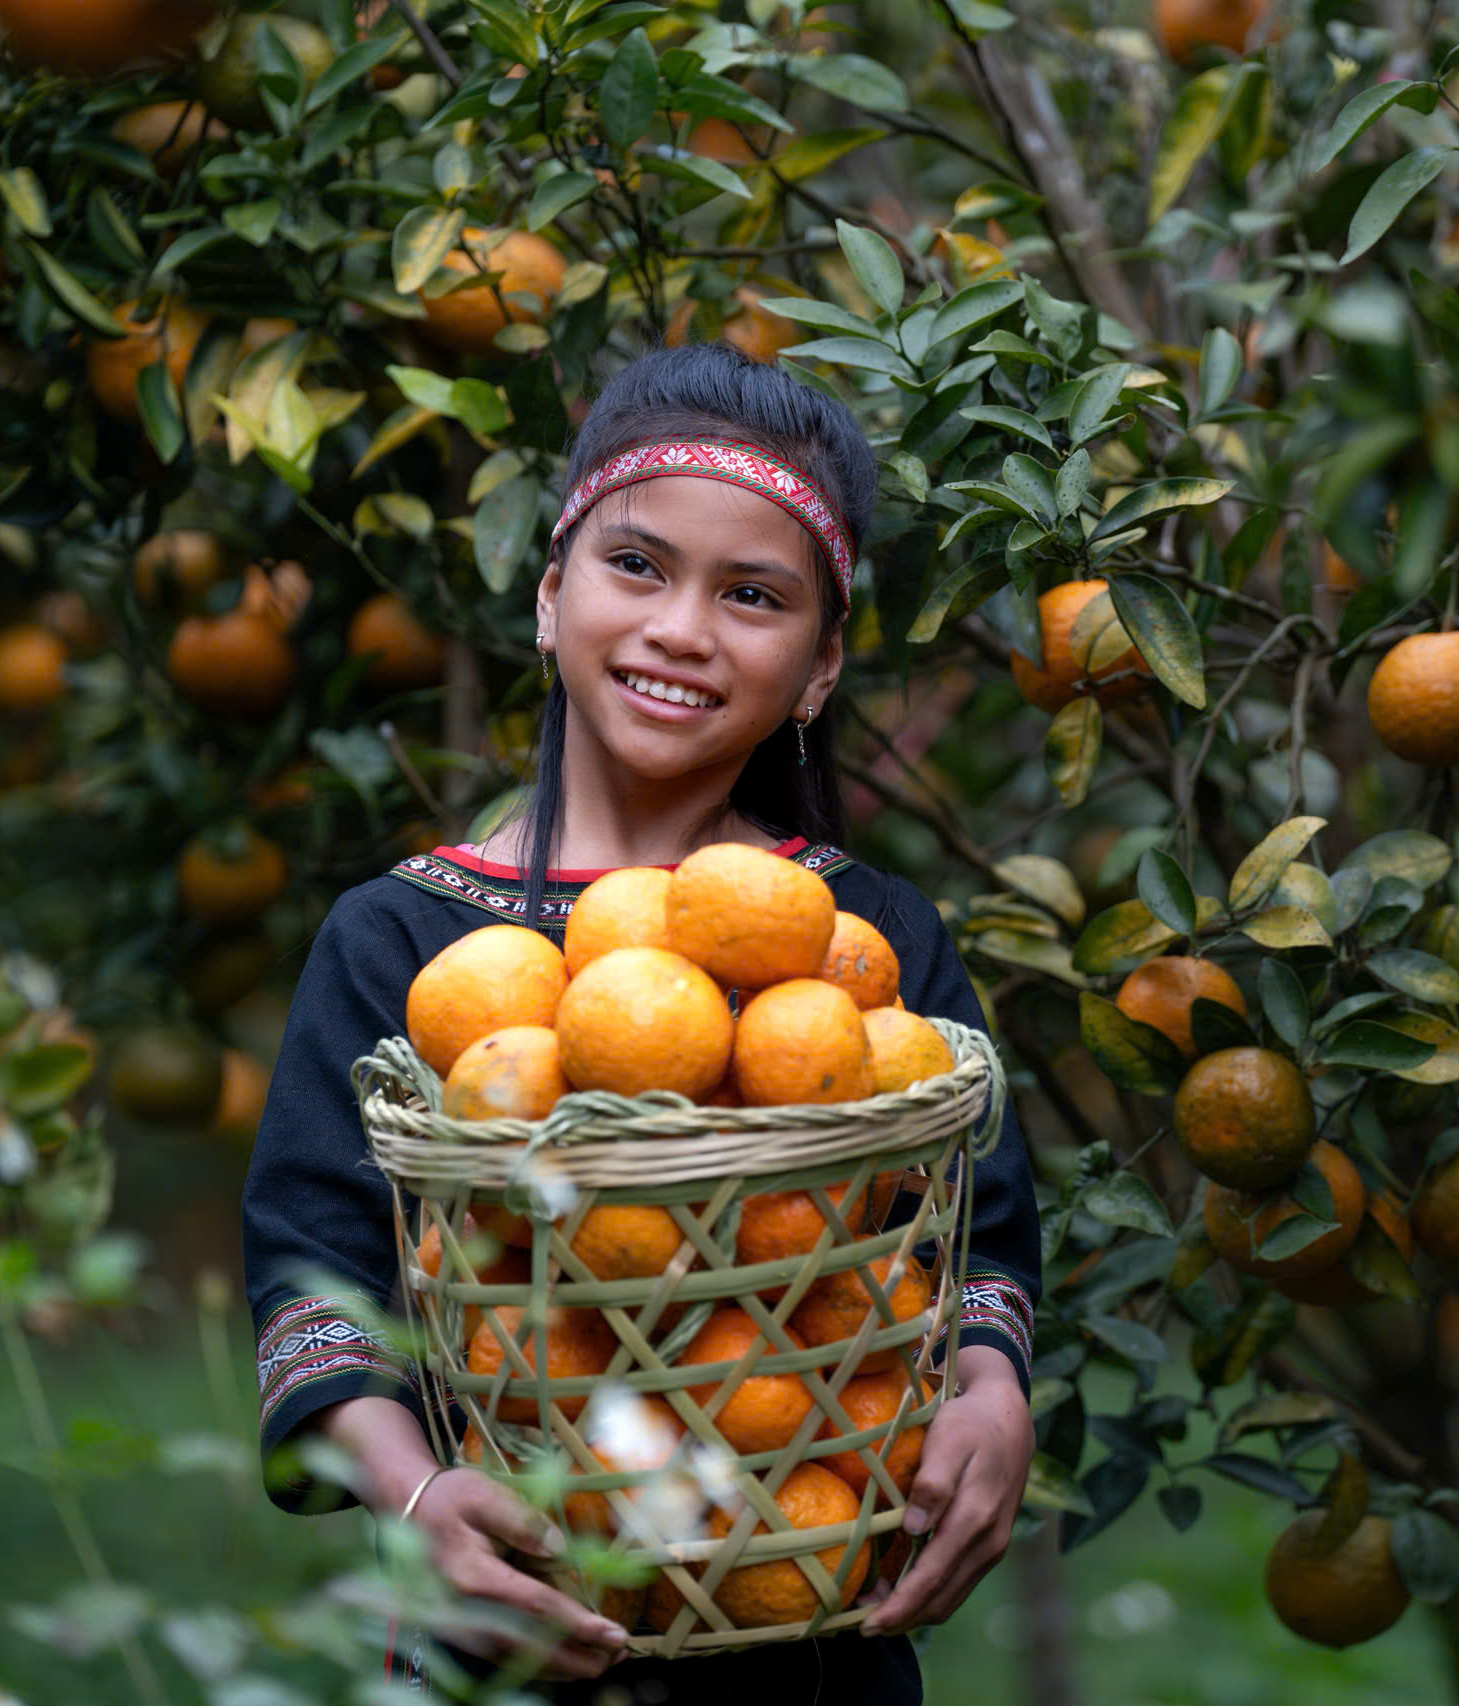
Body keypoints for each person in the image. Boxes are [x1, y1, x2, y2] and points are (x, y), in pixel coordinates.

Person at [239, 343, 1042, 1703]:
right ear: (551, 598)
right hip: (511, 1627)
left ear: (819, 666)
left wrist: (992, 1390)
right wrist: (414, 1489)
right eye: (636, 568)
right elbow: (313, 1286)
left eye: (752, 595)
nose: (682, 627)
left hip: (812, 1628)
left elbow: (979, 1231)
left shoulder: (869, 947)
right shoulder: (406, 942)